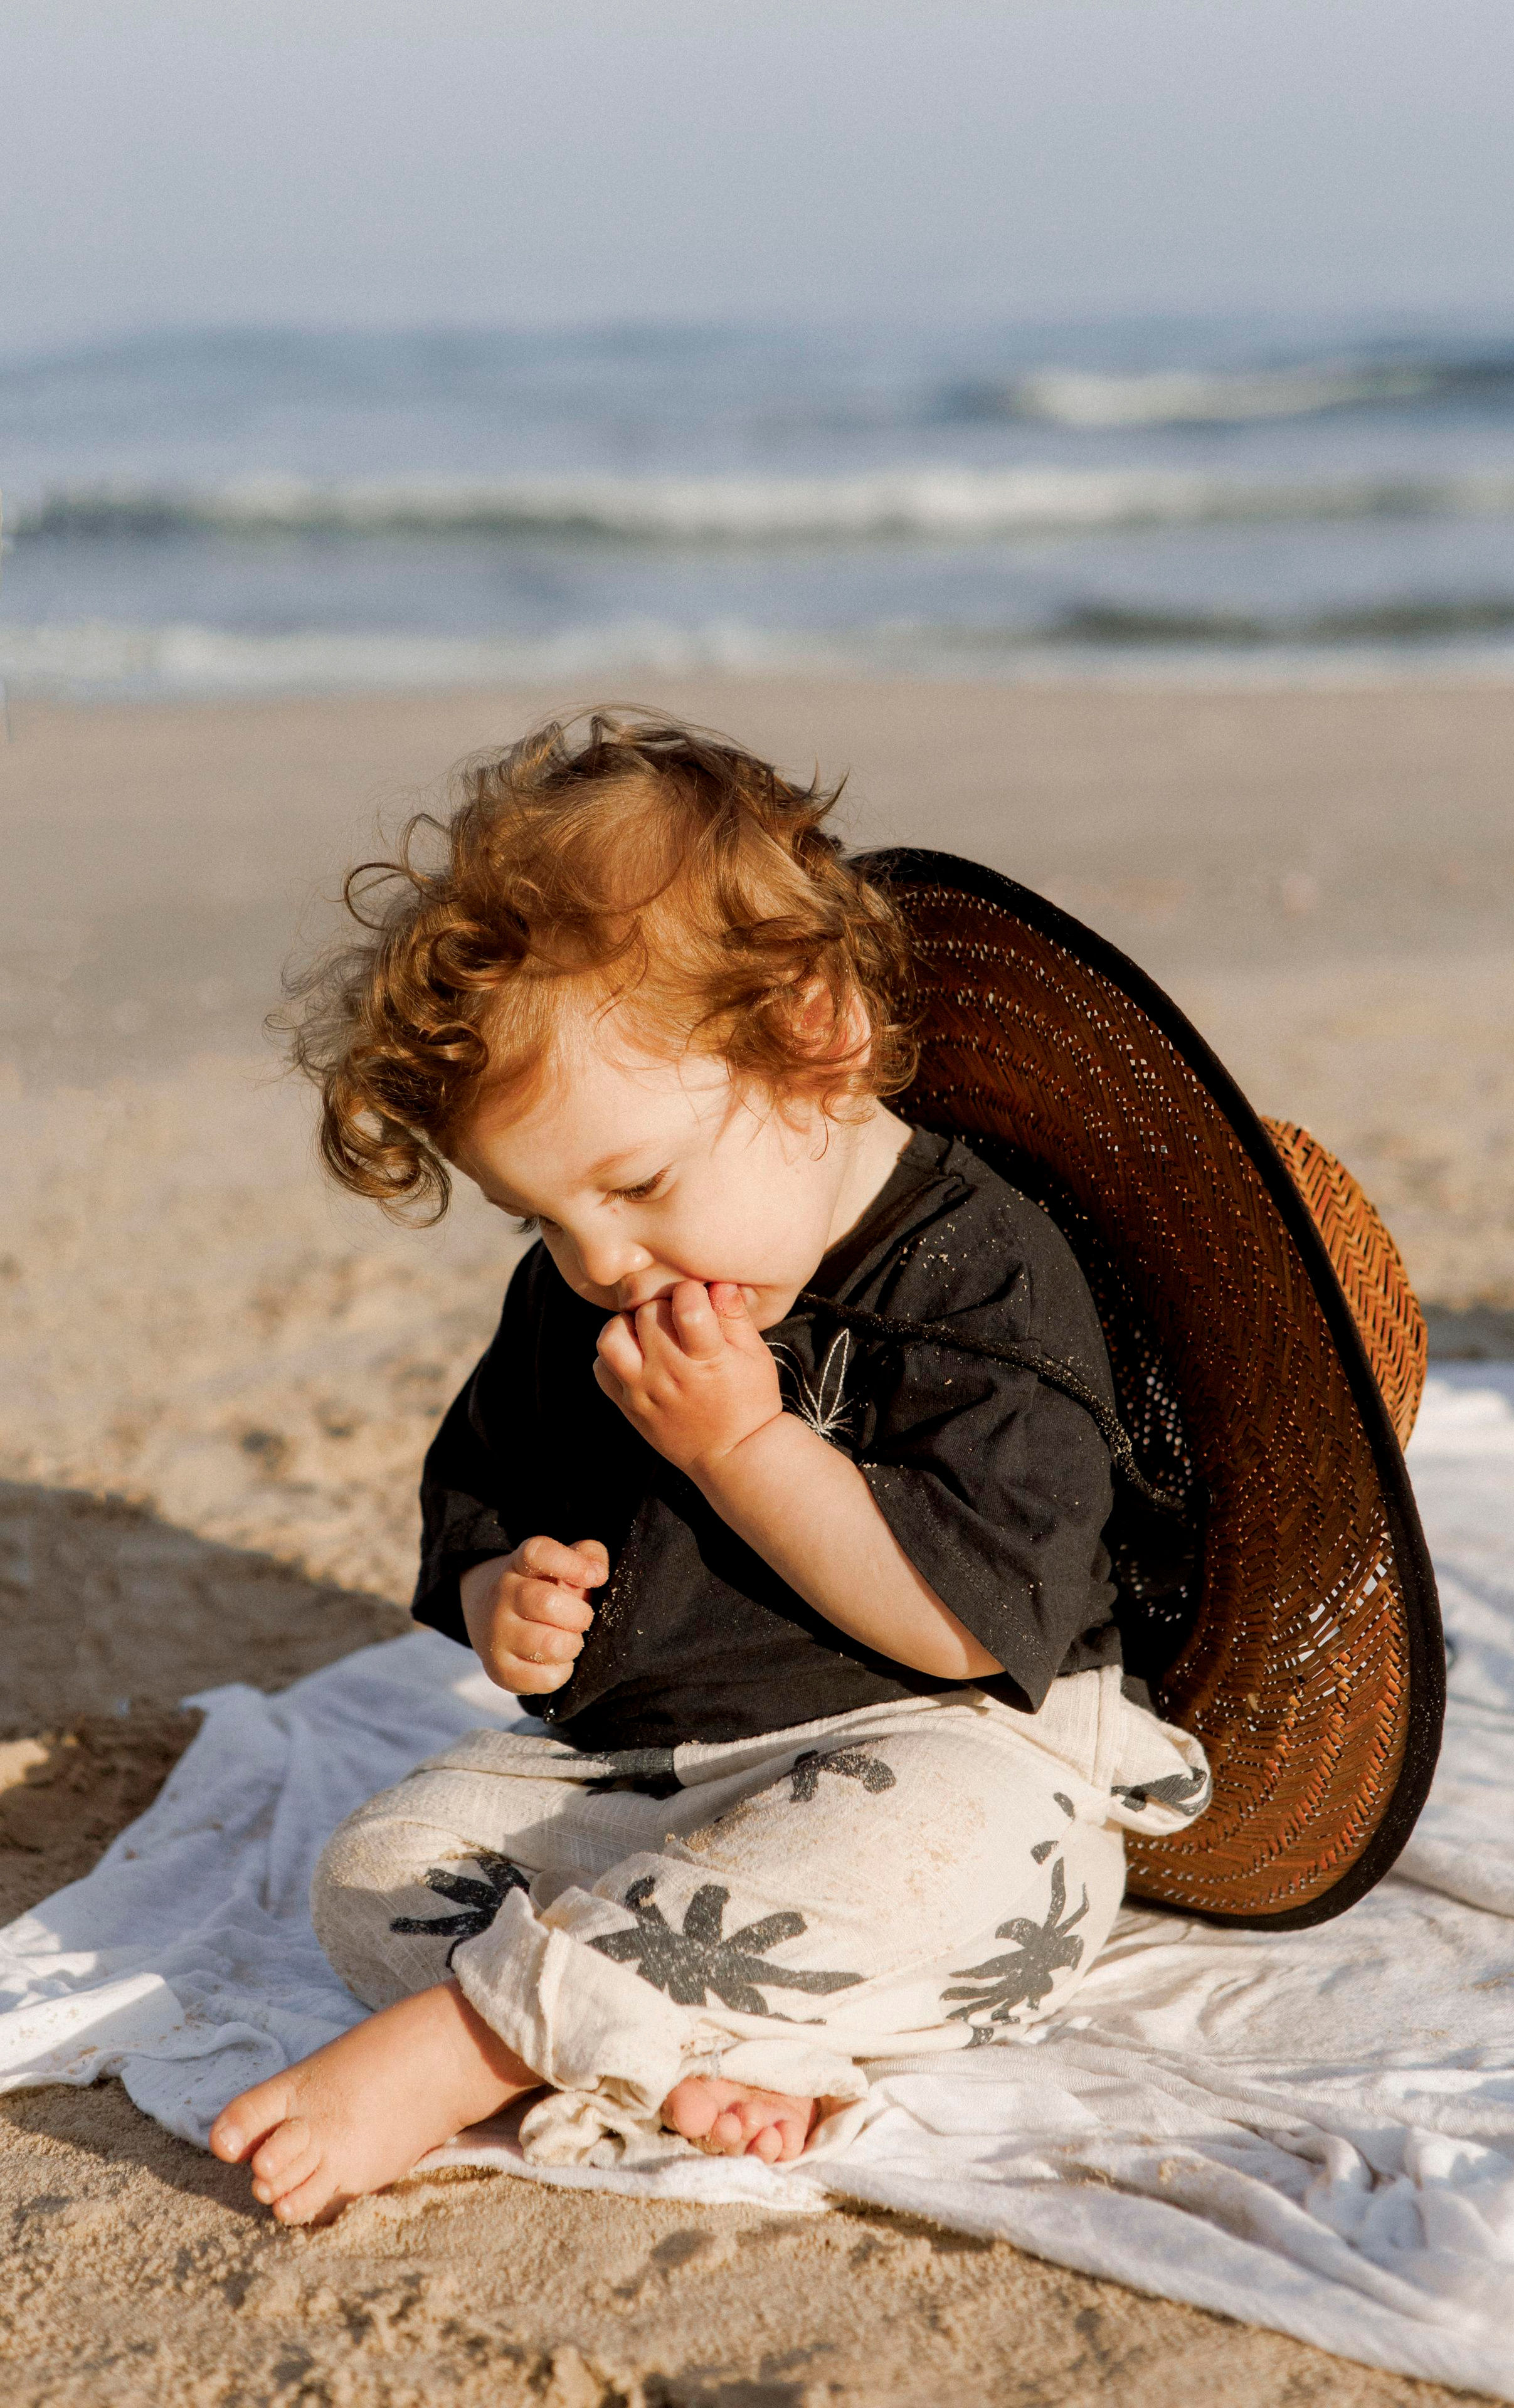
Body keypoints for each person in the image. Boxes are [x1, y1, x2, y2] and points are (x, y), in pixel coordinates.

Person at [209, 711, 1209, 2226]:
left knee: (957, 1858)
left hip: (950, 1747)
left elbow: (961, 1627)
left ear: (817, 1043)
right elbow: (489, 1494)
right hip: (659, 1775)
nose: (600, 1261)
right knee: (377, 1871)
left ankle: (487, 2041)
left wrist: (743, 1447)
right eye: (543, 1219)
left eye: (637, 1183)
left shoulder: (979, 1270)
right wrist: (502, 1595)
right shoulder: (590, 1292)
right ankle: (688, 2042)